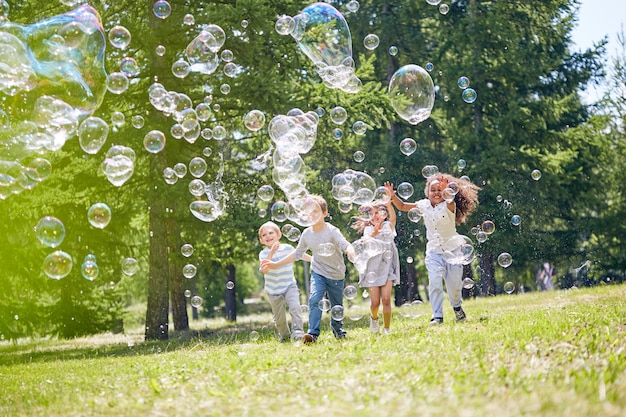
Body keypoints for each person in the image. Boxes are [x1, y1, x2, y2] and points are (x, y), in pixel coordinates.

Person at [385, 174, 479, 325]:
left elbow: (449, 197)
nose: (436, 192)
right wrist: (392, 196)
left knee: (454, 287)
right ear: (427, 192)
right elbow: (402, 206)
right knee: (434, 282)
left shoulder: (450, 205)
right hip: (434, 251)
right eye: (432, 189)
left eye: (439, 190)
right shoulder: (423, 205)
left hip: (453, 250)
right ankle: (437, 315)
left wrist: (447, 189)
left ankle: (457, 307)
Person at [261, 195, 355, 344]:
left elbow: (345, 244)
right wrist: (275, 264)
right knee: (314, 299)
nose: (311, 215)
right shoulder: (306, 234)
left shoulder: (332, 231)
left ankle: (338, 330)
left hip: (336, 273)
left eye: (315, 211)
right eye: (308, 212)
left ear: (324, 213)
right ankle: (313, 334)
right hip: (318, 271)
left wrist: (350, 251)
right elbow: (297, 254)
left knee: (337, 305)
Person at [351, 201, 400, 335]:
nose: (374, 216)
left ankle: (387, 328)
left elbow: (393, 218)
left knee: (386, 299)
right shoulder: (368, 229)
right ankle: (374, 319)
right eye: (371, 213)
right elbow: (365, 240)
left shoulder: (388, 226)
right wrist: (374, 232)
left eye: (378, 212)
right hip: (372, 268)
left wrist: (389, 203)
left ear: (384, 214)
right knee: (375, 303)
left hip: (387, 267)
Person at [258, 221, 311, 342]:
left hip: (289, 285)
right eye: (264, 235)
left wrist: (313, 259)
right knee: (279, 319)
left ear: (279, 235)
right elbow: (265, 269)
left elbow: (299, 255)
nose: (268, 236)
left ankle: (298, 332)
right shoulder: (263, 254)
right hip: (273, 290)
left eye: (271, 233)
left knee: (295, 307)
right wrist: (271, 252)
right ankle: (285, 335)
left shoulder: (287, 248)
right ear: (261, 240)